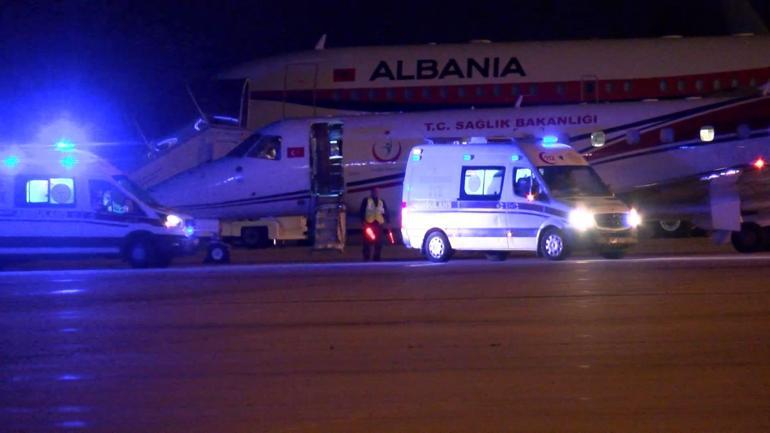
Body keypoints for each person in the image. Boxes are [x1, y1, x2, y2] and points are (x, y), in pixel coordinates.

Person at [359, 187, 389, 261]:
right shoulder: (366, 201)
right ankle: (366, 257)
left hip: (378, 224)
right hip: (369, 223)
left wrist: (388, 221)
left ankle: (377, 257)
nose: (376, 193)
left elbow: (385, 211)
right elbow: (362, 211)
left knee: (379, 242)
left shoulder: (381, 201)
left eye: (377, 192)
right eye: (375, 192)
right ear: (371, 192)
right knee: (366, 242)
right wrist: (362, 221)